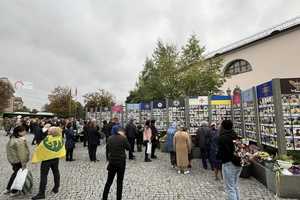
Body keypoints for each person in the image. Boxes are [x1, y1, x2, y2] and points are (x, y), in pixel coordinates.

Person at [32, 126, 63, 200]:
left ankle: (41, 193)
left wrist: (36, 158)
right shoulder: (59, 138)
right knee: (56, 172)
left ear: (51, 133)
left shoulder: (46, 140)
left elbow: (40, 148)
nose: (47, 131)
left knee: (44, 175)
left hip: (46, 160)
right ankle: (56, 188)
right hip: (55, 158)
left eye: (49, 131)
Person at [102, 128, 130, 200]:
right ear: (119, 132)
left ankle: (104, 197)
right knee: (120, 182)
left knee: (109, 181)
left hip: (112, 162)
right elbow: (129, 148)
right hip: (121, 162)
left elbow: (107, 149)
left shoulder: (110, 138)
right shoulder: (123, 138)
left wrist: (108, 159)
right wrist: (125, 138)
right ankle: (118, 198)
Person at [217, 120, 242, 200]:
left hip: (228, 163)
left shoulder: (222, 137)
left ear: (223, 127)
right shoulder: (235, 135)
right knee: (235, 186)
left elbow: (221, 152)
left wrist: (218, 157)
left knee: (230, 188)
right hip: (238, 162)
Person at [5, 126, 30, 196]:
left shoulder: (12, 138)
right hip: (18, 161)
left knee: (15, 174)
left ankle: (8, 188)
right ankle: (14, 191)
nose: (25, 132)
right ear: (19, 132)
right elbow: (22, 153)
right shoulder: (20, 141)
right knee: (18, 176)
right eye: (24, 131)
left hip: (13, 161)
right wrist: (23, 164)